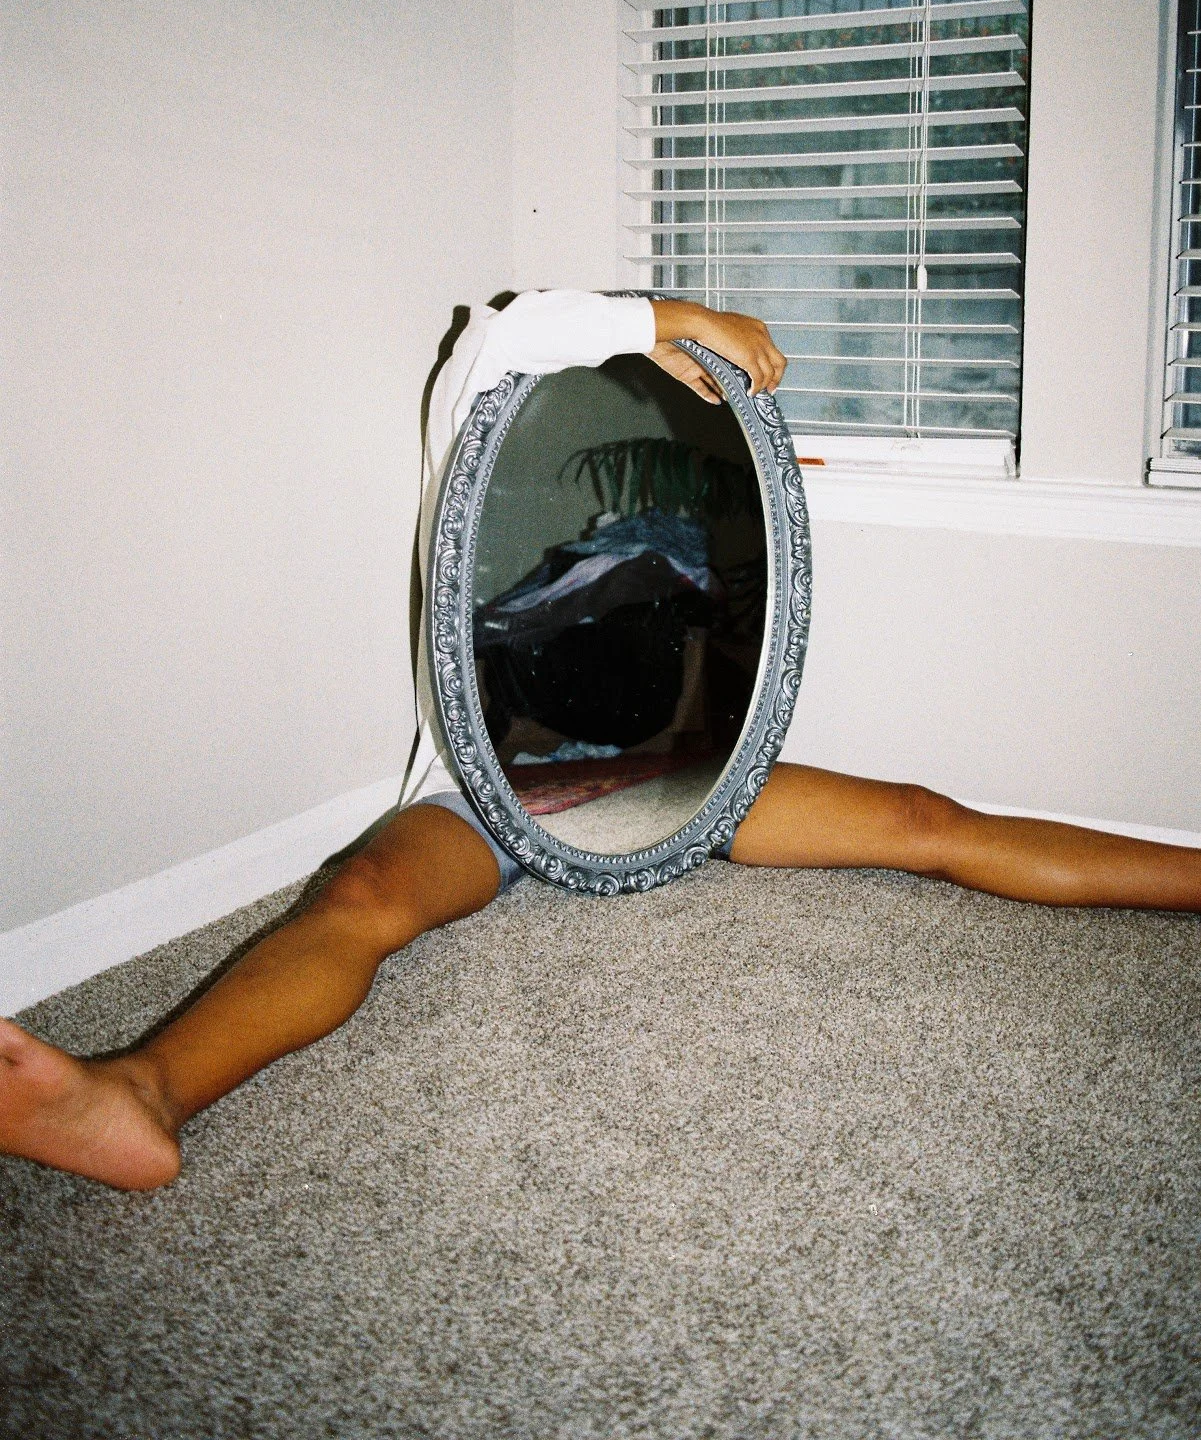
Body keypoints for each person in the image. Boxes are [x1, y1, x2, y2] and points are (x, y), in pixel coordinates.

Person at [2, 293, 1198, 1191]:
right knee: (363, 892)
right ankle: (139, 1095)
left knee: (925, 822)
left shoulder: (662, 600)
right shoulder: (477, 399)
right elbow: (513, 331)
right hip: (487, 791)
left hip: (668, 785)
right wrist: (665, 316)